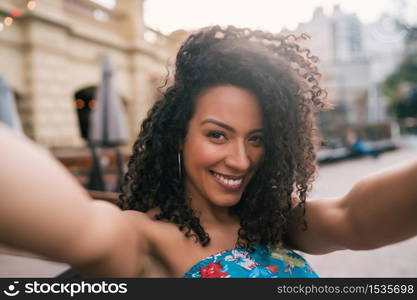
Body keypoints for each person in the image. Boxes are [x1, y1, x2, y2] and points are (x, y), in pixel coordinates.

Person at [0, 26, 416, 278]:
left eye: (256, 138)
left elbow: (354, 218)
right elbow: (78, 229)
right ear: (178, 136)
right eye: (218, 135)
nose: (240, 159)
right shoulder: (143, 238)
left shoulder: (274, 219)